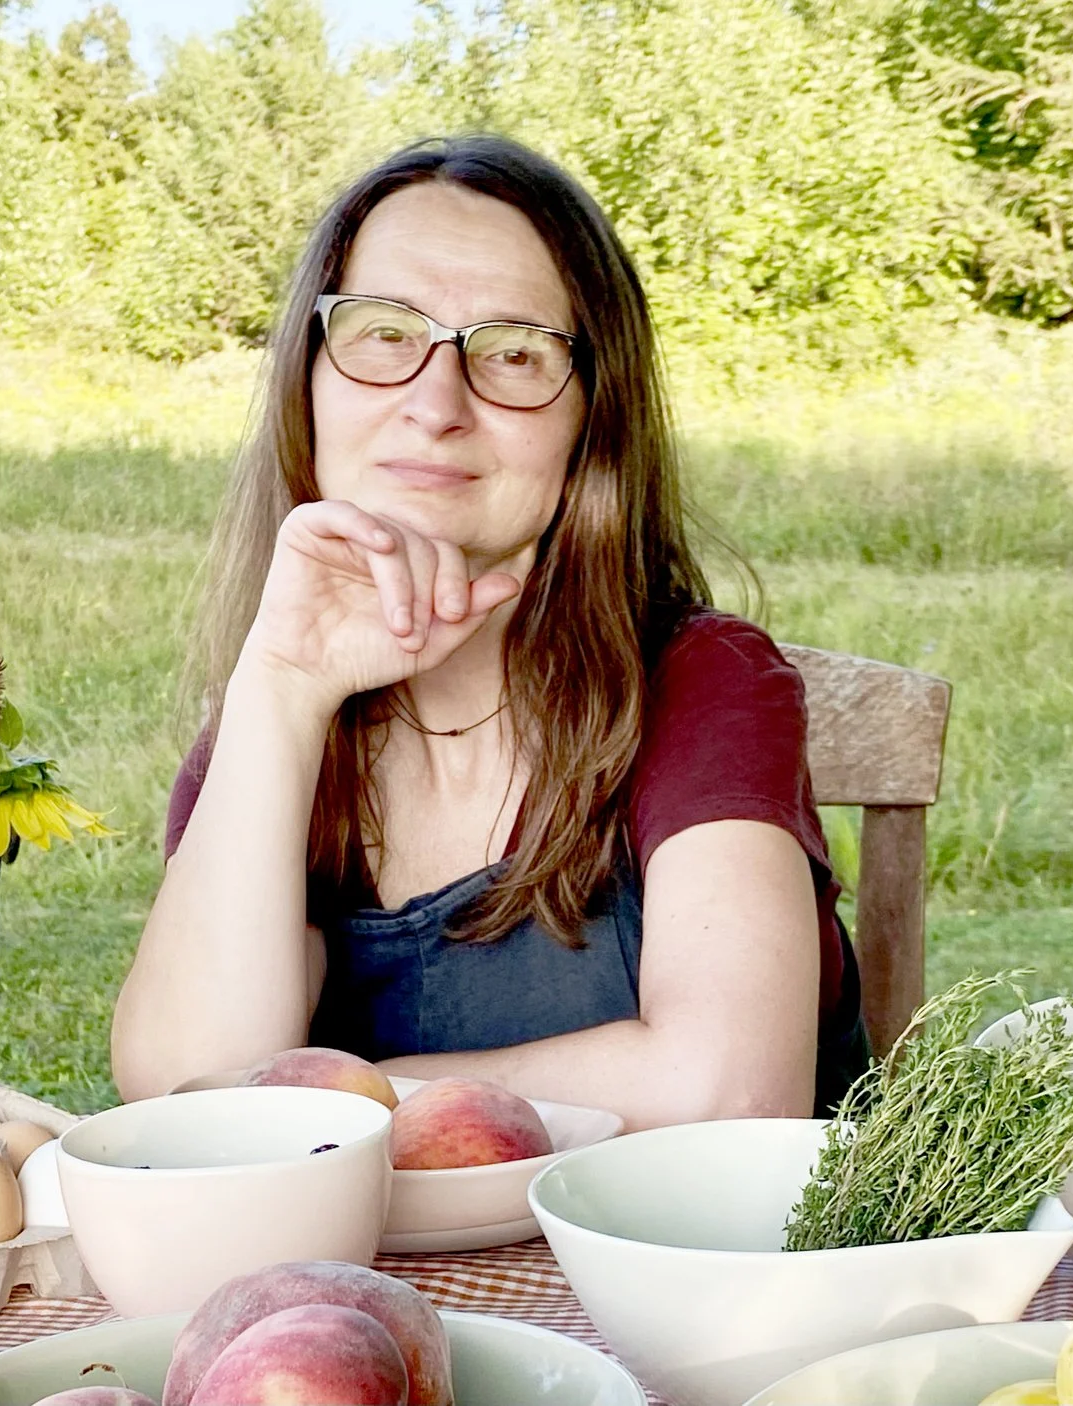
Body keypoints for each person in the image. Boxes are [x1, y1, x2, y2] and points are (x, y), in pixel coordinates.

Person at [110, 135, 869, 1128]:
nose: (435, 405)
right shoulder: (273, 735)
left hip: (700, 1273)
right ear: (308, 376)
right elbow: (185, 1093)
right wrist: (284, 685)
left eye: (512, 353)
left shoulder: (702, 682)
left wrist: (340, 1101)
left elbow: (728, 1087)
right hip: (375, 1283)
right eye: (383, 334)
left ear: (592, 417)